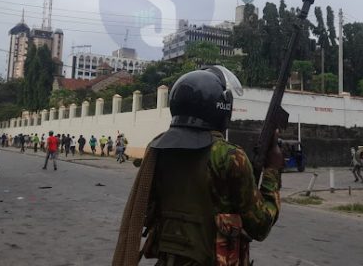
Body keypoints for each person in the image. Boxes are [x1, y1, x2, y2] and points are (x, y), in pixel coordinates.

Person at [113, 66, 282, 265]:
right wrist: (272, 171)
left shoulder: (157, 149)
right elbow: (260, 226)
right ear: (222, 107)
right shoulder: (230, 156)